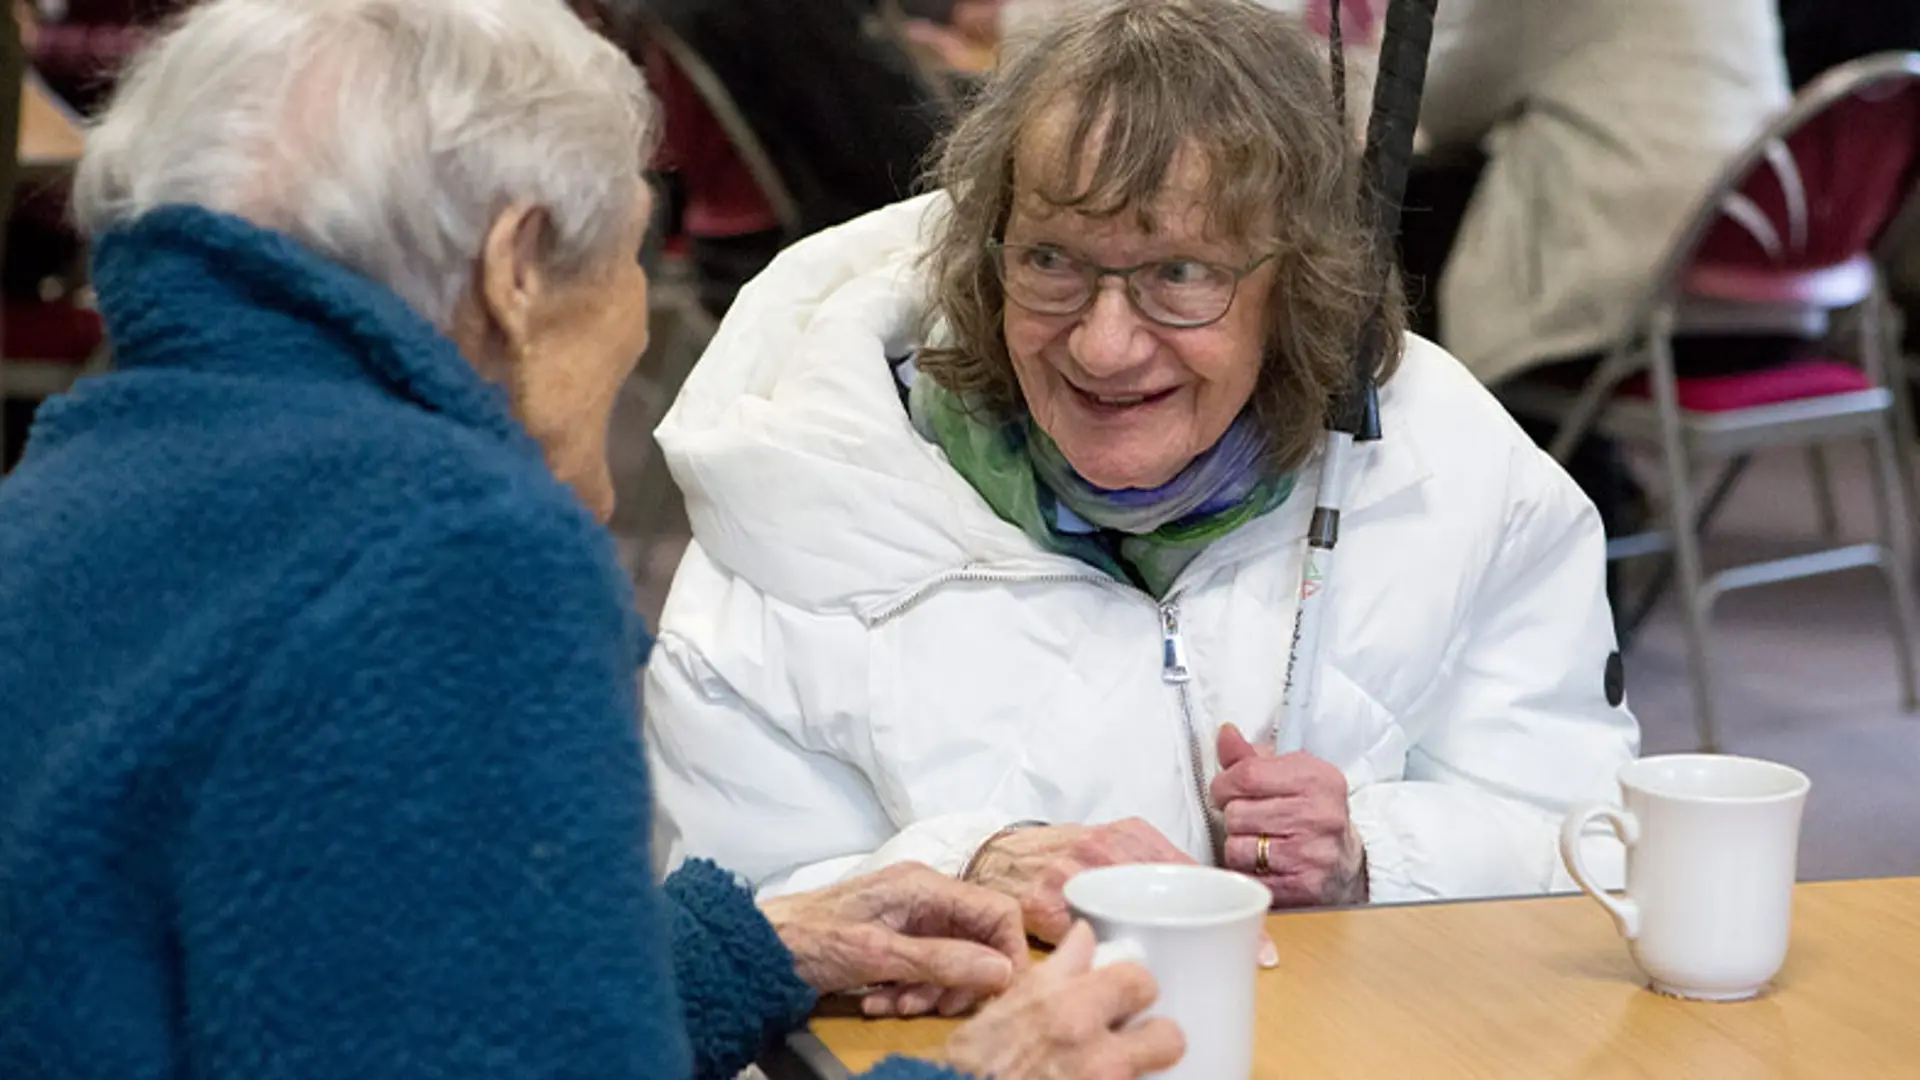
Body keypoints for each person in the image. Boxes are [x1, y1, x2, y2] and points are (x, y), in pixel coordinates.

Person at [0, 2, 1184, 1078]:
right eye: (630, 246)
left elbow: (361, 974)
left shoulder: (68, 484)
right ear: (517, 269)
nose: (633, 324)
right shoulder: (451, 555)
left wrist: (745, 948)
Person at [645, 0, 1640, 943]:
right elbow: (727, 932)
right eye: (1051, 262)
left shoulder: (1455, 474)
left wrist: (1377, 860)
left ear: (1298, 285)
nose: (1104, 345)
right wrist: (965, 868)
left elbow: (1589, 844)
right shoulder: (802, 498)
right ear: (987, 258)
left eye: (1180, 274)